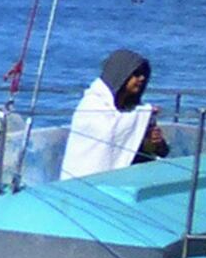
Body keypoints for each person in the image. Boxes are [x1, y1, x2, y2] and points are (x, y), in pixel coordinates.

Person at [59, 50, 168, 179]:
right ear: (121, 74)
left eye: (144, 74)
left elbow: (153, 151)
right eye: (136, 74)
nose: (142, 78)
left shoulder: (133, 110)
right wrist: (143, 115)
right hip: (85, 181)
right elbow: (107, 132)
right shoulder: (92, 104)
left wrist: (155, 141)